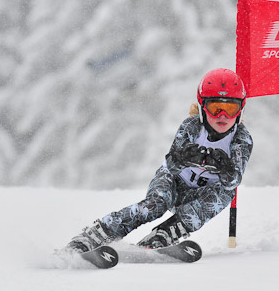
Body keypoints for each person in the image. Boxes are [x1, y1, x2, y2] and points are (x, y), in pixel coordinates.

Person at [66, 68, 253, 252]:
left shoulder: (241, 139)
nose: (223, 116)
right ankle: (98, 233)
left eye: (230, 108)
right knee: (154, 206)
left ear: (240, 109)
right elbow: (172, 164)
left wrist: (224, 166)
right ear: (203, 107)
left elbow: (233, 181)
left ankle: (164, 234)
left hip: (200, 195)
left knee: (226, 192)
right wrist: (186, 156)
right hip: (174, 181)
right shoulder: (192, 126)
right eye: (215, 108)